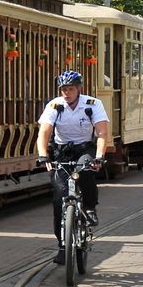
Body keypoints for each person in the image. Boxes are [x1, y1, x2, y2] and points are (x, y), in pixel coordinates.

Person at [36, 70, 109, 265]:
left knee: (85, 171)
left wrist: (99, 156)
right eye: (63, 89)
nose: (66, 93)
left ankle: (90, 208)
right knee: (58, 198)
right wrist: (43, 155)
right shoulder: (54, 105)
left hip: (84, 149)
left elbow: (102, 133)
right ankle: (62, 246)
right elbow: (44, 132)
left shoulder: (93, 104)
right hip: (62, 151)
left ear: (79, 89)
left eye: (70, 89)